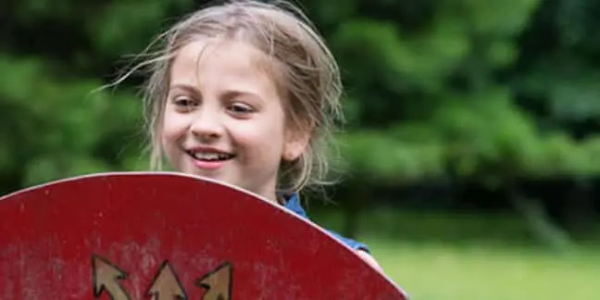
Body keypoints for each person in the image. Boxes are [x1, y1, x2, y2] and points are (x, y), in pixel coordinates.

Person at [113, 0, 382, 271]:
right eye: (185, 102)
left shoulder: (341, 271)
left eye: (238, 108)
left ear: (295, 133)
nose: (204, 126)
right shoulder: (114, 255)